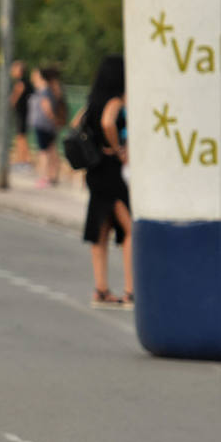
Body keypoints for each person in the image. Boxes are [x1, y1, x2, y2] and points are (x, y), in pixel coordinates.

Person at [80, 54, 132, 309]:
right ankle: (131, 291)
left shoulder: (93, 100)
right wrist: (118, 148)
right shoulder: (115, 100)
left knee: (100, 231)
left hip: (95, 169)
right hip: (111, 168)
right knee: (130, 229)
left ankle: (101, 289)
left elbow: (76, 123)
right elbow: (108, 122)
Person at [30, 65, 67, 189]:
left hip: (43, 124)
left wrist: (53, 119)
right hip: (49, 125)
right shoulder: (53, 89)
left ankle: (44, 177)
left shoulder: (45, 90)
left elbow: (47, 108)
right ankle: (53, 176)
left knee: (44, 152)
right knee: (52, 150)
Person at [9, 60, 32, 168]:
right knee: (20, 136)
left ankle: (25, 161)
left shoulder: (21, 83)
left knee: (21, 137)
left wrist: (11, 102)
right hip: (22, 113)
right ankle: (21, 160)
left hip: (23, 113)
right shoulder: (23, 82)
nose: (12, 71)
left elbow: (14, 99)